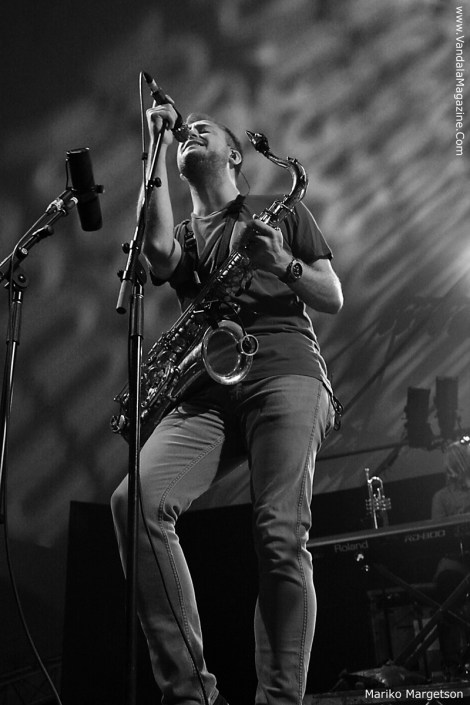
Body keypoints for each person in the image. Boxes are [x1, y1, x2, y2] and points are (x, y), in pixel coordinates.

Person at [111, 99, 343, 705]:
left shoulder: (277, 209)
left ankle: (279, 699)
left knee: (279, 535)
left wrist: (283, 262)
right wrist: (157, 145)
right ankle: (192, 695)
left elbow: (331, 295)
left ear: (236, 154)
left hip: (286, 370)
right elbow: (156, 250)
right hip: (207, 389)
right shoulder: (182, 235)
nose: (190, 131)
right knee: (134, 503)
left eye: (202, 130)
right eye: (186, 132)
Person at [431, 437, 470, 680]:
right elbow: (436, 534)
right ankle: (452, 665)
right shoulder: (441, 497)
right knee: (447, 591)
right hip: (455, 563)